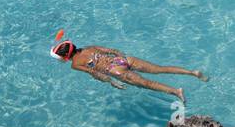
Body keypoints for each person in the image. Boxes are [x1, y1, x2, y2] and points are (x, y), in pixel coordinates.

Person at [51, 33, 207, 105]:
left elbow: (94, 72)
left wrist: (111, 82)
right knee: (160, 68)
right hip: (122, 59)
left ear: (65, 58)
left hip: (115, 70)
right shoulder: (89, 48)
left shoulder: (75, 64)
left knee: (148, 84)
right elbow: (110, 50)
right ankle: (192, 73)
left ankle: (176, 91)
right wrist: (121, 56)